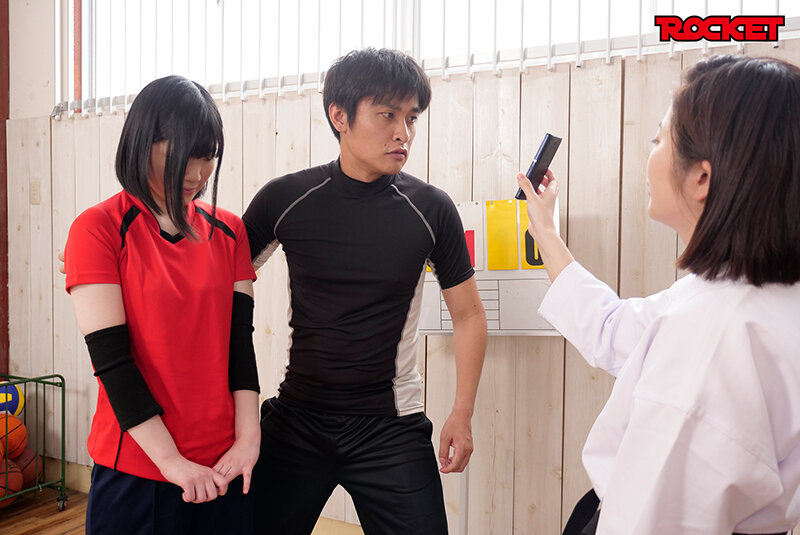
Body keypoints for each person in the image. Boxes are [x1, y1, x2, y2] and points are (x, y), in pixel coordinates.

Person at [518, 54, 800, 535]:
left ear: (701, 178)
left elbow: (651, 519)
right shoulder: (742, 297)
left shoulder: (710, 340)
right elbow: (612, 328)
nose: (650, 156)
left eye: (658, 140)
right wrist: (545, 229)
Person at [244, 47, 487, 534]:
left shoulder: (431, 209)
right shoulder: (286, 199)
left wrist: (462, 414)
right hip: (298, 419)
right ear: (340, 117)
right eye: (387, 115)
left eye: (411, 118)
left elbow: (469, 316)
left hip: (390, 427)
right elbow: (212, 283)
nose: (404, 133)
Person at [64, 75, 261, 534]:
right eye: (185, 155)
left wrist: (249, 440)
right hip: (138, 467)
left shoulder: (229, 230)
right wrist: (171, 462)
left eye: (208, 156)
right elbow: (113, 363)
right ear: (143, 143)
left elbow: (240, 347)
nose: (198, 173)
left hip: (226, 465)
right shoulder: (97, 229)